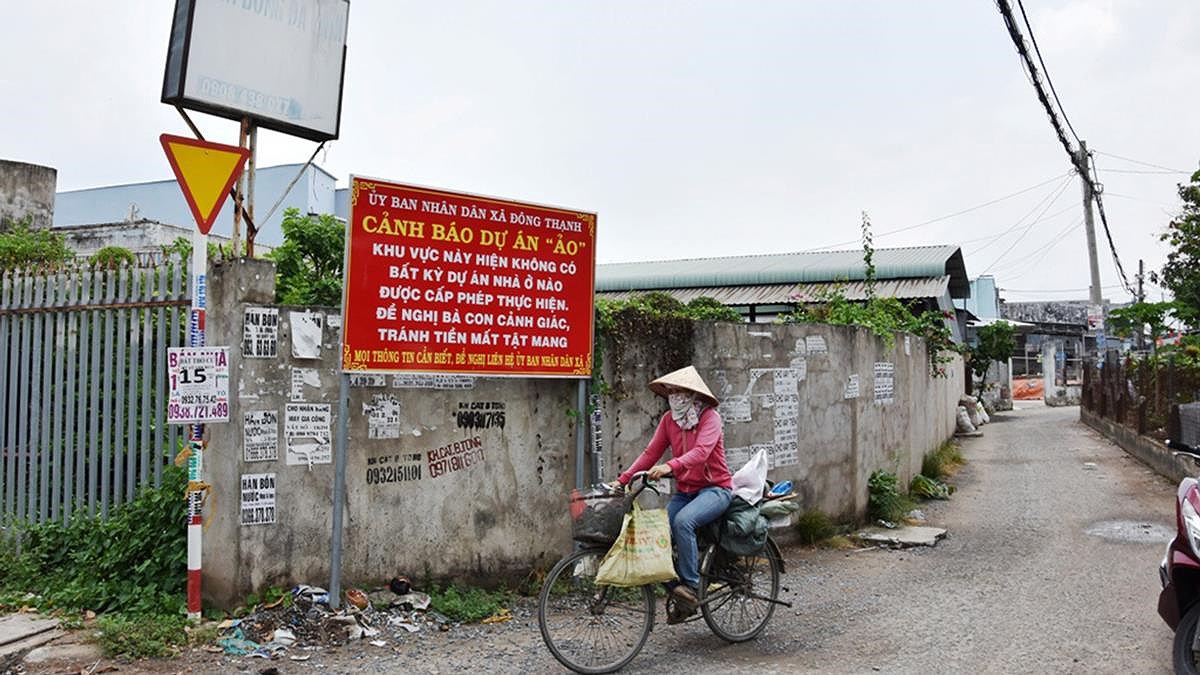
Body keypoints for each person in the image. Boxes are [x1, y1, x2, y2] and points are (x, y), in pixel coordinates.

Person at [607, 365, 732, 623]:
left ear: (694, 394)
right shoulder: (668, 421)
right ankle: (675, 586)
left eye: (681, 391)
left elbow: (701, 453)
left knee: (683, 522)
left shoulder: (710, 419)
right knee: (658, 531)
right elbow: (650, 454)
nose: (675, 396)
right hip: (686, 491)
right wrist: (623, 480)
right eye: (672, 391)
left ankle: (691, 587)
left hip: (715, 490)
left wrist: (669, 466)